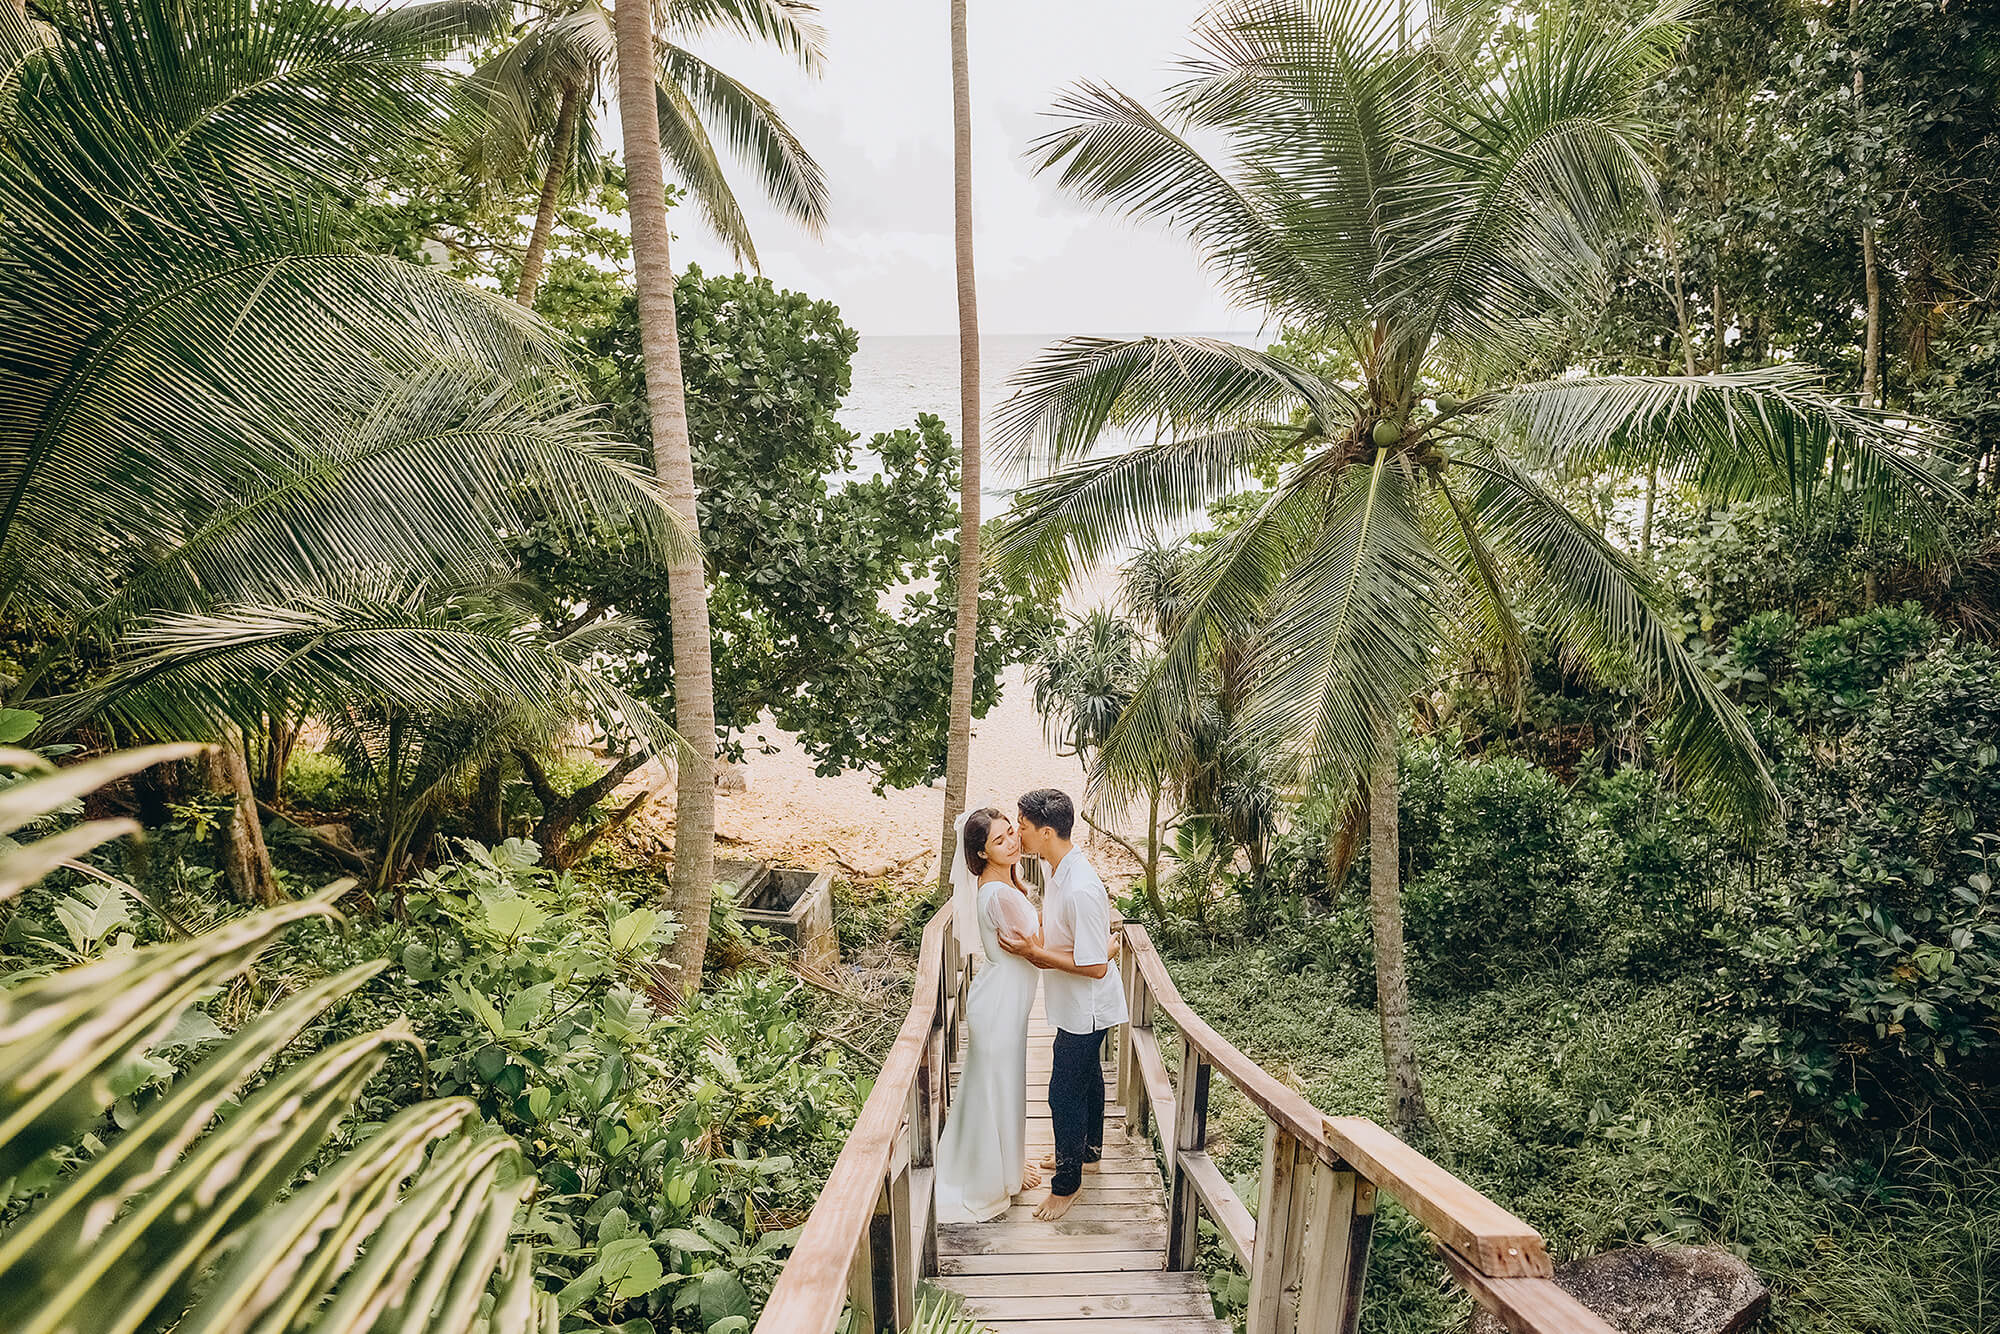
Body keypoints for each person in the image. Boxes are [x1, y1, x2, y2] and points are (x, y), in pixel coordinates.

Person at [1000, 788, 1127, 1222]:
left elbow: (1094, 967)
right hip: (1074, 1003)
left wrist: (1035, 956)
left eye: (1023, 826)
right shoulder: (1057, 871)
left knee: (1063, 1091)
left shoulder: (1080, 889)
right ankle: (1087, 1152)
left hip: (1086, 1008)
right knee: (1088, 1079)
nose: (1019, 832)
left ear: (1047, 831)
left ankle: (1067, 1185)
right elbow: (1085, 944)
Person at [932, 807, 1044, 1222]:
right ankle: (993, 1177)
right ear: (981, 851)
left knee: (999, 1085)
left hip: (1004, 999)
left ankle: (1008, 1168)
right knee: (996, 1088)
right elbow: (1040, 943)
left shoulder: (999, 883)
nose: (1013, 841)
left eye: (1012, 832)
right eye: (1000, 840)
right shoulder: (997, 894)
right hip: (1000, 1003)